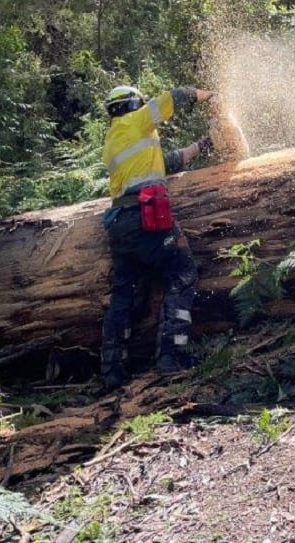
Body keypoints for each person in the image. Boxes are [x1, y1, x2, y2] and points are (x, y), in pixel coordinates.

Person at [100, 84, 215, 391]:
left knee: (123, 294)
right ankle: (172, 355)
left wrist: (204, 145)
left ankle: (112, 371)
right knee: (182, 274)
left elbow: (168, 162)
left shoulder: (115, 140)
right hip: (146, 217)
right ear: (132, 104)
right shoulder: (135, 122)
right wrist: (208, 95)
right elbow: (173, 98)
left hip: (120, 224)